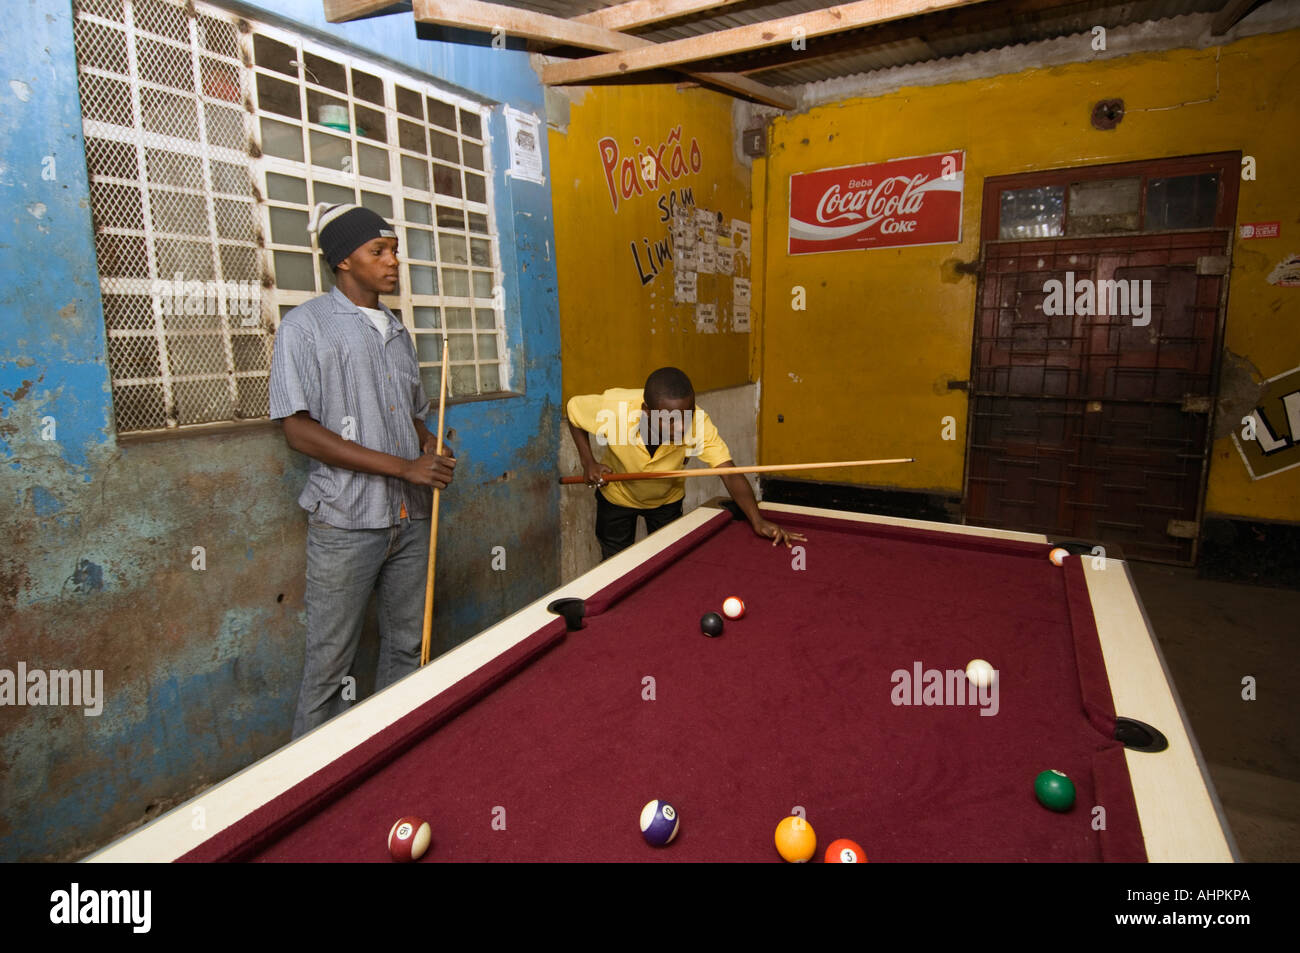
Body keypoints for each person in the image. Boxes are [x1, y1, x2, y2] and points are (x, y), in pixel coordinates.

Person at [269, 203, 455, 738]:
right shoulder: (304, 327)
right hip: (347, 521)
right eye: (379, 251)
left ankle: (393, 756)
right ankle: (313, 786)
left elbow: (412, 415)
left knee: (407, 646)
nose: (394, 260)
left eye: (394, 249)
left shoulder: (397, 331)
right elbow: (298, 431)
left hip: (411, 519)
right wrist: (404, 466)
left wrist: (428, 444)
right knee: (330, 667)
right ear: (343, 262)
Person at [566, 367, 805, 559]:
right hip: (616, 498)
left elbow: (730, 474)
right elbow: (574, 411)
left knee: (666, 561)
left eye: (687, 413)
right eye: (670, 420)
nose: (681, 426)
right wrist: (589, 462)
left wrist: (757, 520)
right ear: (646, 411)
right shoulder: (615, 409)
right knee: (614, 565)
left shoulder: (699, 423)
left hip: (666, 500)